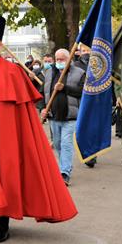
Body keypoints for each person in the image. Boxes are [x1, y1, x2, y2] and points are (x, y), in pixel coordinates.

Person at [0, 14, 77, 243]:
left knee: (5, 177)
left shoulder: (11, 71)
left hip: (2, 134)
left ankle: (3, 223)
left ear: (0, 44)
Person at [40, 48, 85, 186]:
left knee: (66, 144)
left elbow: (83, 92)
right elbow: (42, 92)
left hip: (70, 116)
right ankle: (63, 166)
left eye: (62, 59)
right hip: (53, 116)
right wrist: (42, 108)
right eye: (57, 59)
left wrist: (64, 88)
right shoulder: (48, 72)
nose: (59, 62)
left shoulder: (79, 73)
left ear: (69, 59)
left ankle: (64, 173)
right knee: (58, 144)